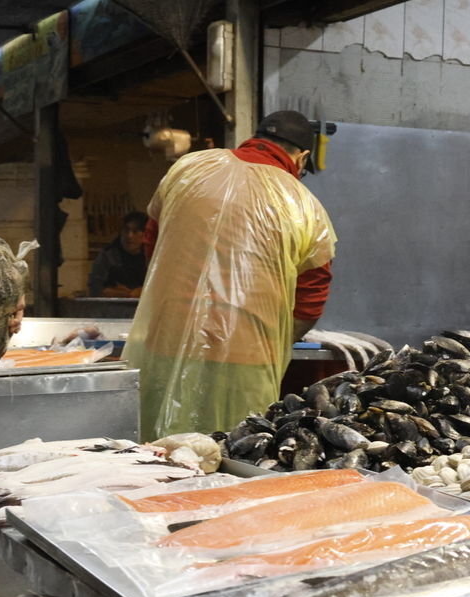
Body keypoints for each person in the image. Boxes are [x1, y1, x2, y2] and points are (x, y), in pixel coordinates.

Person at [124, 110, 339, 440]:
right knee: (232, 455)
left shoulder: (189, 168)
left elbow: (155, 244)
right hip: (247, 359)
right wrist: (274, 339)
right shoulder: (304, 205)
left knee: (155, 452)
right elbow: (310, 299)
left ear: (254, 137)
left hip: (167, 339)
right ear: (303, 157)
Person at [87, 210, 149, 297]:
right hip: (113, 307)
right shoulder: (108, 256)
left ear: (145, 234)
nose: (129, 236)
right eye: (126, 231)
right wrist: (129, 294)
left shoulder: (152, 256)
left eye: (135, 232)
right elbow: (95, 289)